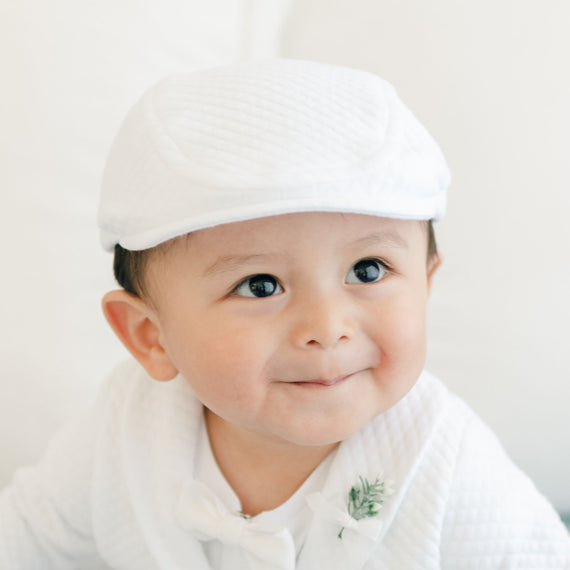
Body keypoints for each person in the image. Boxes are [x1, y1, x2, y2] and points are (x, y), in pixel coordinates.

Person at [1, 59, 568, 570]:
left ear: (426, 284)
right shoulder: (125, 433)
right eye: (260, 285)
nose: (326, 327)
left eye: (368, 270)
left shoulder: (445, 464)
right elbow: (26, 534)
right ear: (151, 336)